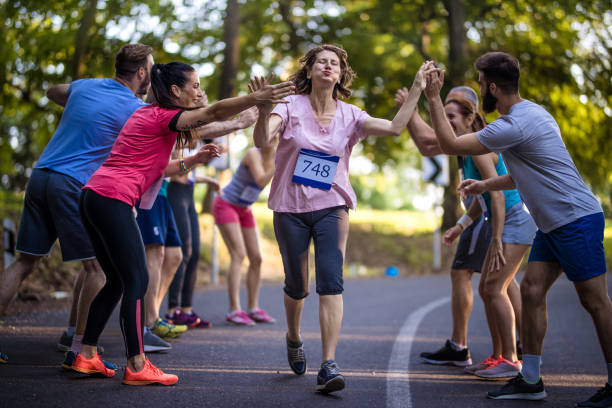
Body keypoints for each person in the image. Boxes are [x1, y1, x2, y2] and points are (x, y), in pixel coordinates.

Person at [72, 61, 294, 386]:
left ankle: (87, 355)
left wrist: (192, 161)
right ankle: (136, 364)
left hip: (94, 196)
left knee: (118, 281)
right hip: (111, 198)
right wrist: (256, 100)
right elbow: (214, 113)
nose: (198, 91)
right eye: (194, 85)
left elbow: (157, 167)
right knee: (136, 279)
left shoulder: (148, 118)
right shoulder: (164, 116)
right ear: (175, 91)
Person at [427, 52, 610, 406]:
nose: (481, 90)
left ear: (493, 87)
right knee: (530, 290)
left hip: (575, 219)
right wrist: (485, 185)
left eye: (482, 84)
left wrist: (433, 97)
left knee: (595, 301)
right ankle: (530, 379)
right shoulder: (531, 114)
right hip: (551, 224)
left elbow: (449, 145)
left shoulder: (511, 126)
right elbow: (527, 172)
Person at [252, 44, 436, 393]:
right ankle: (293, 337)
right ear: (309, 71)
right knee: (297, 285)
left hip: (332, 206)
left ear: (340, 75)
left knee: (330, 282)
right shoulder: (289, 105)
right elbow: (262, 138)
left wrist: (416, 89)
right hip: (289, 208)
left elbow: (396, 128)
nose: (327, 66)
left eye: (334, 63)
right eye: (321, 61)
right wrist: (263, 111)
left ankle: (328, 364)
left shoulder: (351, 115)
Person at [0, 44, 153, 365]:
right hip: (73, 182)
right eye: (150, 68)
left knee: (24, 262)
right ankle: (81, 352)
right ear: (141, 73)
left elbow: (53, 90)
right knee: (97, 268)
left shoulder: (87, 86)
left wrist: (79, 102)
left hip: (40, 175)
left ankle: (76, 340)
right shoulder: (134, 108)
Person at [397, 86, 525, 369]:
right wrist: (460, 224)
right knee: (496, 286)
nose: (445, 121)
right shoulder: (466, 146)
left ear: (470, 116)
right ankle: (506, 351)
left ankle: (504, 355)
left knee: (490, 286)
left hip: (507, 219)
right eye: (444, 113)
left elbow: (497, 193)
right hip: (492, 218)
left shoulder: (478, 145)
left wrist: (496, 237)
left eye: (450, 114)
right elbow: (482, 195)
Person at [165, 102, 259, 329]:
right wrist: (196, 159)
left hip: (188, 194)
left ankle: (186, 310)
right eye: (198, 92)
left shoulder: (193, 137)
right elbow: (177, 176)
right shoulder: (180, 133)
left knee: (194, 252)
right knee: (182, 253)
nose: (202, 98)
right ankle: (171, 311)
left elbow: (187, 173)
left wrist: (205, 176)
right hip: (175, 193)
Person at [212, 135, 278, 326]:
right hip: (226, 204)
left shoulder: (275, 156)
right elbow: (260, 181)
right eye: (269, 132)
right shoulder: (252, 154)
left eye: (276, 132)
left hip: (244, 208)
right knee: (238, 254)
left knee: (256, 258)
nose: (272, 136)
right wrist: (279, 162)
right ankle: (234, 309)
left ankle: (253, 308)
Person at [135, 179, 187, 352]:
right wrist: (192, 160)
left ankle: (153, 316)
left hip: (161, 193)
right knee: (154, 254)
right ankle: (148, 324)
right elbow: (172, 169)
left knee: (174, 256)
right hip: (148, 191)